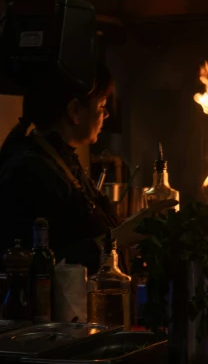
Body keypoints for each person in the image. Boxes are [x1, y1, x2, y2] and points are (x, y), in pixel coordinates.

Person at [0, 63, 173, 273]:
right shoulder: (29, 171)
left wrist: (132, 224)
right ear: (75, 111)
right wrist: (120, 237)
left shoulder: (61, 161)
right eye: (101, 105)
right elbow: (44, 267)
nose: (106, 114)